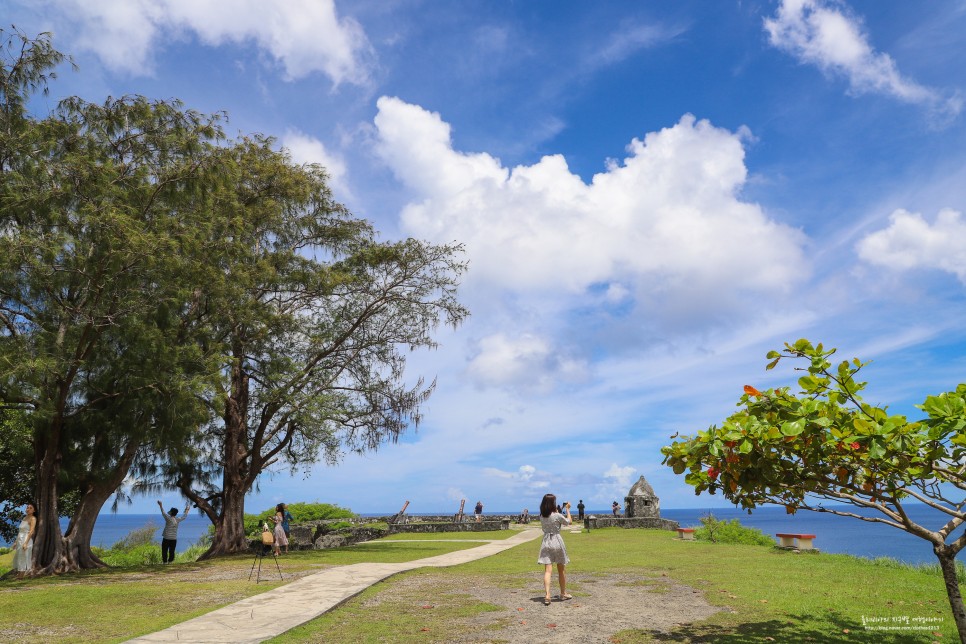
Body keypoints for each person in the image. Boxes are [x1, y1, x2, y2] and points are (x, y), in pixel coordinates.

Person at [536, 493, 572, 606]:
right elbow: (568, 521)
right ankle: (563, 593)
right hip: (556, 540)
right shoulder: (556, 515)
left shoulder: (542, 516)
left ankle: (547, 595)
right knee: (561, 569)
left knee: (548, 570)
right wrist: (567, 509)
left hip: (546, 541)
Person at [12, 503, 36, 577]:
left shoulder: (33, 518)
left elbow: (31, 531)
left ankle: (21, 576)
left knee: (23, 557)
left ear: (34, 510)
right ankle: (19, 574)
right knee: (19, 556)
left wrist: (26, 543)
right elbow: (20, 531)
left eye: (30, 508)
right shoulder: (24, 518)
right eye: (27, 508)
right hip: (20, 539)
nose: (28, 509)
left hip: (26, 539)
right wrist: (15, 542)